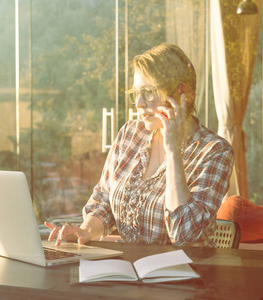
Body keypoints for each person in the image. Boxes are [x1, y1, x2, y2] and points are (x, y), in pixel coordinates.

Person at [45, 43, 234, 247]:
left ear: (182, 96)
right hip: (129, 267)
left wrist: (172, 151)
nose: (139, 103)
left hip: (185, 273)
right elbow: (103, 201)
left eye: (149, 92)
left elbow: (184, 234)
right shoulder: (130, 133)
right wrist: (85, 230)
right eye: (136, 93)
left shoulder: (215, 151)